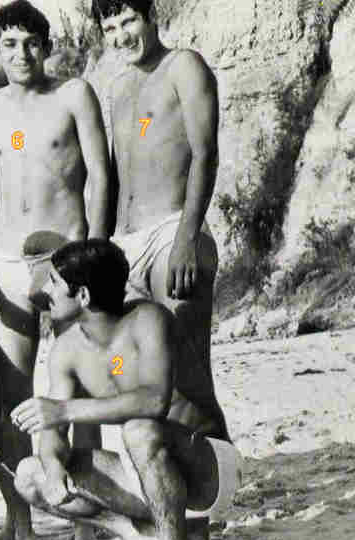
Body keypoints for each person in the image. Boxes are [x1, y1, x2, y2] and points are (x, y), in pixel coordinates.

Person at [11, 237, 240, 540]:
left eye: (54, 282)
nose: (45, 291)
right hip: (149, 477)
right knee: (30, 475)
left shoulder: (148, 319)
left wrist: (64, 410)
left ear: (83, 295)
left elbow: (154, 401)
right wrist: (54, 465)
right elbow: (53, 431)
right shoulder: (67, 349)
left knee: (139, 429)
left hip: (207, 471)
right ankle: (138, 535)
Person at [0, 0, 112, 540]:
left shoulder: (73, 94)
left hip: (68, 261)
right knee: (10, 397)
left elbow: (101, 174)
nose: (21, 54)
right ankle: (20, 520)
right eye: (9, 44)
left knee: (78, 388)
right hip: (8, 261)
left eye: (31, 42)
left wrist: (96, 254)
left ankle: (87, 516)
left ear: (47, 46)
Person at [93, 0, 221, 435]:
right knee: (137, 378)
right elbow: (116, 175)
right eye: (110, 28)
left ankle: (219, 475)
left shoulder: (183, 66)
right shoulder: (117, 88)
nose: (121, 36)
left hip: (172, 231)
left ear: (152, 17)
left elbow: (205, 154)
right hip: (125, 245)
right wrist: (98, 251)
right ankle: (172, 476)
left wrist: (187, 238)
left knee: (188, 377)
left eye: (129, 21)